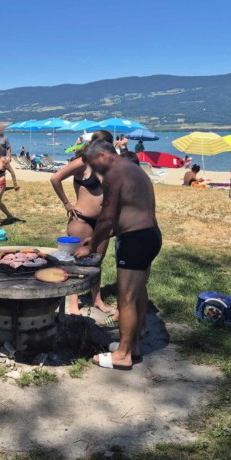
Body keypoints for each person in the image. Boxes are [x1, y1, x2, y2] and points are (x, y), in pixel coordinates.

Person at [74, 140, 162, 370]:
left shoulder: (114, 173)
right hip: (149, 236)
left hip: (136, 241)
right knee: (138, 293)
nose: (96, 171)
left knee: (126, 298)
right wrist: (98, 238)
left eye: (95, 164)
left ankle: (122, 355)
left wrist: (92, 246)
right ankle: (133, 346)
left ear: (104, 155)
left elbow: (107, 217)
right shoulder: (134, 169)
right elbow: (131, 211)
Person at [50, 130, 115, 315]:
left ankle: (97, 299)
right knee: (77, 261)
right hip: (82, 220)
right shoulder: (83, 162)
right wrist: (67, 203)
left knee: (96, 262)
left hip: (102, 222)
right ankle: (73, 302)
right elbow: (55, 178)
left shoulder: (107, 165)